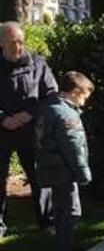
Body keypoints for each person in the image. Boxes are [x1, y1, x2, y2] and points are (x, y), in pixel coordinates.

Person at [0, 21, 57, 237]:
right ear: (1, 44)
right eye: (12, 43)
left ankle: (48, 222)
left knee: (39, 177)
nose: (18, 47)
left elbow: (51, 95)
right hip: (2, 130)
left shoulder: (37, 64)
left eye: (21, 42)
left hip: (31, 130)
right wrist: (3, 118)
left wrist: (29, 114)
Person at [34, 72, 94, 251]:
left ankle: (64, 249)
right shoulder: (67, 115)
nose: (85, 100)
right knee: (70, 211)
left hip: (52, 169)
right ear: (76, 92)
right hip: (64, 172)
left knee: (61, 210)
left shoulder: (48, 108)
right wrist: (83, 174)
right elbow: (73, 147)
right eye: (85, 95)